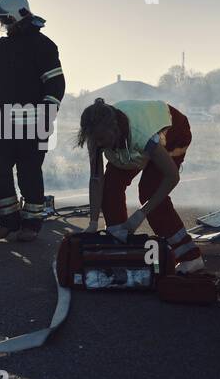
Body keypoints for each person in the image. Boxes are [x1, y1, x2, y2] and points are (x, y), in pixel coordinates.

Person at [77, 98, 204, 274]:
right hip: (130, 143)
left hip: (173, 132)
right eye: (93, 140)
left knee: (150, 190)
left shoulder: (141, 135)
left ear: (113, 130)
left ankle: (190, 257)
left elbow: (172, 177)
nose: (97, 144)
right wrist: (92, 222)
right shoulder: (97, 135)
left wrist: (141, 213)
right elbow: (96, 179)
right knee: (110, 186)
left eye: (100, 139)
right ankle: (120, 246)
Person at [0, 0, 65, 242]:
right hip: (3, 124)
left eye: (6, 20)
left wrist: (46, 117)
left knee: (29, 173)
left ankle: (31, 224)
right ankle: (8, 221)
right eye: (1, 20)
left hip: (33, 126)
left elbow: (56, 85)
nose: (3, 25)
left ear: (20, 16)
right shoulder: (2, 46)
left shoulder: (43, 46)